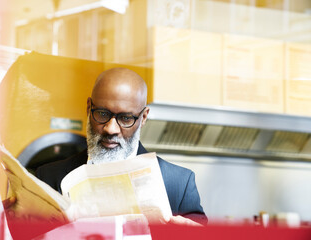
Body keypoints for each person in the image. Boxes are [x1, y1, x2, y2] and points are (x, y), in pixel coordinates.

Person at [36, 67, 207, 226]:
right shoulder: (48, 178)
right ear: (88, 108)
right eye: (102, 114)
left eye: (125, 118)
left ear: (144, 117)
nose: (111, 129)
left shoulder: (179, 185)